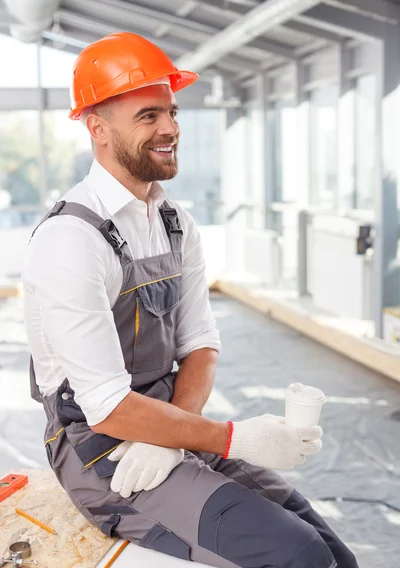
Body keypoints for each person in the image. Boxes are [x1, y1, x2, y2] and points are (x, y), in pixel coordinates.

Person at [22, 32, 357, 568]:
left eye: (172, 112)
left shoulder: (176, 224)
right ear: (98, 128)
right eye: (149, 115)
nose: (171, 128)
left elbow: (200, 344)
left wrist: (174, 438)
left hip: (168, 425)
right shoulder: (71, 240)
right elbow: (106, 405)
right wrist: (233, 438)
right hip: (102, 453)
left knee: (335, 554)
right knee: (297, 555)